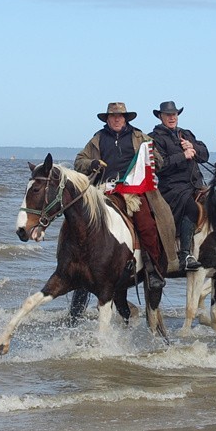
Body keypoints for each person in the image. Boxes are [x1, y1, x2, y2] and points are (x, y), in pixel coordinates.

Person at [74, 102, 177, 291]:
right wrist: (92, 163)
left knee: (147, 224)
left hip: (133, 191)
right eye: (113, 116)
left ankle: (153, 270)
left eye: (120, 116)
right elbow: (79, 161)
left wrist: (151, 160)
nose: (116, 119)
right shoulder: (97, 138)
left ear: (125, 118)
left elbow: (159, 161)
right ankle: (77, 269)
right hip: (103, 190)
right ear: (107, 119)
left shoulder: (140, 137)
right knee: (80, 225)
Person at [151, 101, 209, 271]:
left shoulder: (186, 134)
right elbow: (159, 165)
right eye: (168, 115)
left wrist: (193, 147)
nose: (172, 117)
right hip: (172, 187)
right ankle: (185, 255)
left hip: (196, 184)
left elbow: (204, 155)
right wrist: (183, 156)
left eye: (174, 114)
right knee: (191, 206)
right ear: (160, 116)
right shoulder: (155, 138)